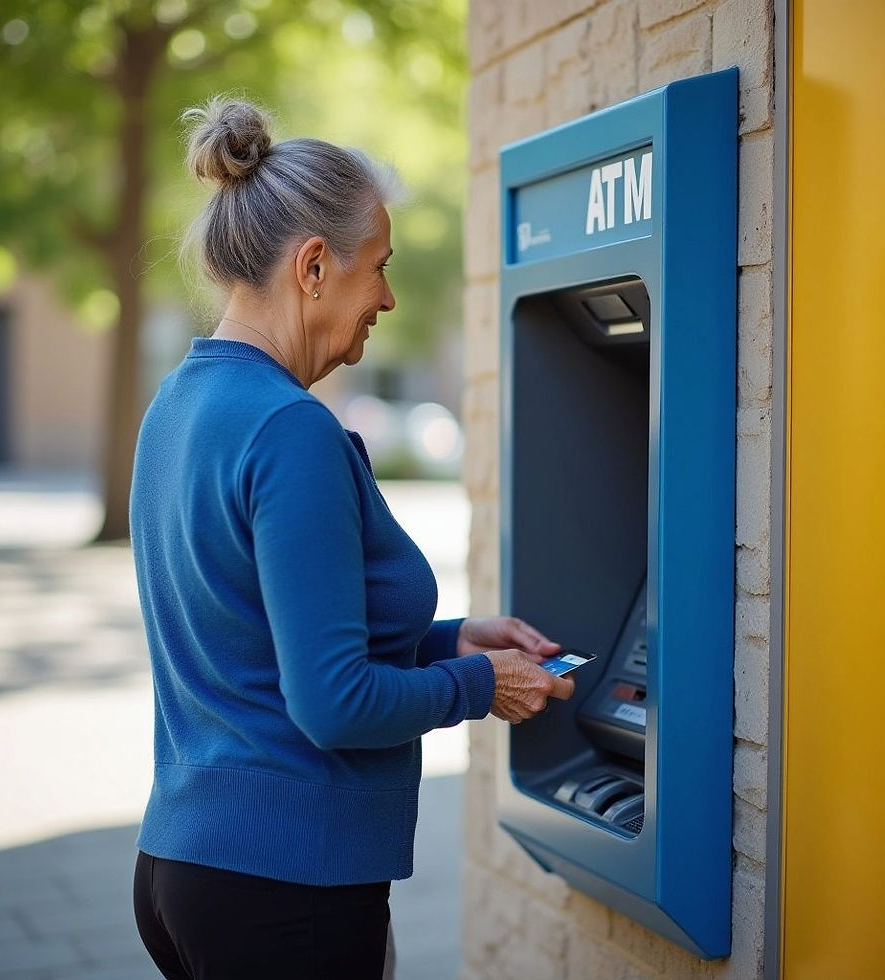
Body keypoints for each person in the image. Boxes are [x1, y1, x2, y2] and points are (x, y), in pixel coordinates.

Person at [129, 97, 575, 980]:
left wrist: (447, 640)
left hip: (186, 864)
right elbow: (331, 703)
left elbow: (254, 633)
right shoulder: (289, 429)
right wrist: (479, 684)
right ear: (313, 266)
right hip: (286, 884)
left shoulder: (177, 406)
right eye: (379, 266)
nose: (388, 296)